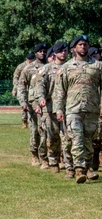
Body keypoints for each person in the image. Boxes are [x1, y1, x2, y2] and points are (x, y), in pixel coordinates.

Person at [53, 35, 102, 184]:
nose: (83, 47)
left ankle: (88, 168)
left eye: (85, 44)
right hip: (73, 109)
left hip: (92, 109)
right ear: (74, 48)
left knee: (89, 141)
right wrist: (58, 110)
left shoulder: (98, 67)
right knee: (76, 139)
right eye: (80, 45)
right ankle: (79, 170)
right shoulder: (66, 68)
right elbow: (60, 91)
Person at [33, 42, 68, 174]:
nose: (63, 53)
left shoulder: (70, 67)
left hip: (66, 108)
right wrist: (40, 98)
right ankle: (53, 162)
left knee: (67, 138)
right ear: (55, 54)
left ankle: (66, 162)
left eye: (65, 51)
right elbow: (40, 85)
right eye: (60, 51)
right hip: (50, 107)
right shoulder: (46, 69)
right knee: (52, 137)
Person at [18, 42, 49, 166]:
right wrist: (23, 102)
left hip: (47, 103)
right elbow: (21, 86)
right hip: (33, 104)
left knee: (47, 131)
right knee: (35, 130)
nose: (42, 53)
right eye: (40, 51)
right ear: (36, 53)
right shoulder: (28, 68)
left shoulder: (49, 66)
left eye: (44, 51)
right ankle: (34, 154)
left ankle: (47, 157)